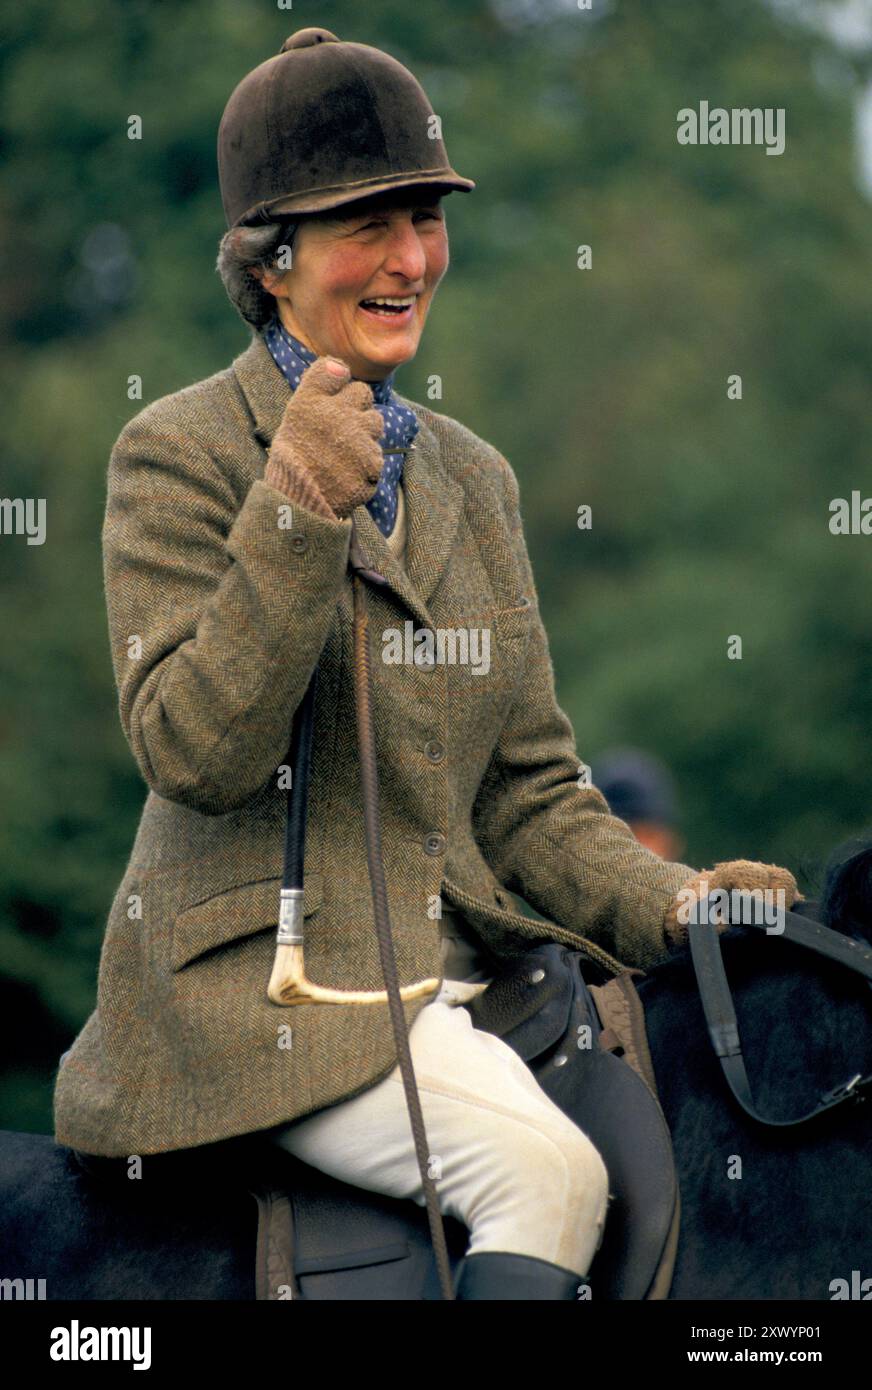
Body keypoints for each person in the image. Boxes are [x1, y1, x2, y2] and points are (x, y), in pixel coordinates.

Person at [52, 28, 800, 1299]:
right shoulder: (172, 453)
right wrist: (292, 510)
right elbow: (192, 748)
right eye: (367, 226)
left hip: (464, 987)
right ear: (271, 259)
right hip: (260, 998)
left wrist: (679, 908)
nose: (409, 259)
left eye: (423, 219)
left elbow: (530, 796)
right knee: (545, 1180)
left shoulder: (473, 479)